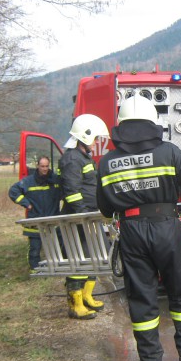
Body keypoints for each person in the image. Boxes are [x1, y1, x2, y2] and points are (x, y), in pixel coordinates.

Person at [96, 94, 181, 361]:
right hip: (166, 227)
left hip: (131, 232)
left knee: (142, 295)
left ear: (120, 124)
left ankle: (150, 359)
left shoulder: (107, 162)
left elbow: (106, 209)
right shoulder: (168, 151)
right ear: (153, 122)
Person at [59, 113, 110, 320]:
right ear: (86, 136)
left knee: (94, 255)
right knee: (78, 259)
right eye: (95, 138)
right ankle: (75, 304)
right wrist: (82, 214)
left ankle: (87, 296)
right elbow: (72, 191)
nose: (96, 142)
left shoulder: (82, 157)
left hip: (88, 216)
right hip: (78, 218)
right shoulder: (72, 159)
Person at [9, 156, 61, 272]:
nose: (45, 169)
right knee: (35, 248)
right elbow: (13, 191)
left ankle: (56, 268)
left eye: (47, 166)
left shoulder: (55, 180)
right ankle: (35, 269)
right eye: (42, 166)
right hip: (35, 220)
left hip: (53, 219)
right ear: (38, 166)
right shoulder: (28, 181)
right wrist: (26, 203)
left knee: (57, 246)